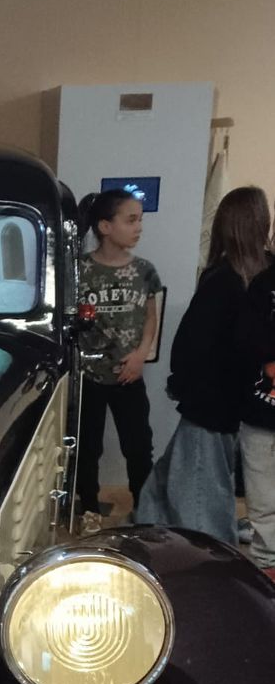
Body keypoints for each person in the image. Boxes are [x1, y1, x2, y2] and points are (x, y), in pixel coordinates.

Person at [135, 187, 271, 545]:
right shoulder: (260, 279)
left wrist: (180, 383)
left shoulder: (224, 280)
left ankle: (208, 561)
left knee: (199, 495)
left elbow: (192, 344)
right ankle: (149, 537)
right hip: (239, 401)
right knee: (171, 481)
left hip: (210, 404)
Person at [76, 189, 161, 534]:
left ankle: (145, 509)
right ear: (105, 226)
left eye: (140, 220)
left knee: (139, 447)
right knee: (87, 448)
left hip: (129, 375)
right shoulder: (79, 271)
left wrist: (141, 354)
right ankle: (89, 510)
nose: (138, 227)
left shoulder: (145, 271)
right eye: (131, 220)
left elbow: (151, 317)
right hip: (89, 376)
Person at [235, 218, 275, 575]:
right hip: (261, 412)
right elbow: (246, 343)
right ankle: (266, 565)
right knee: (262, 499)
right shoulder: (264, 284)